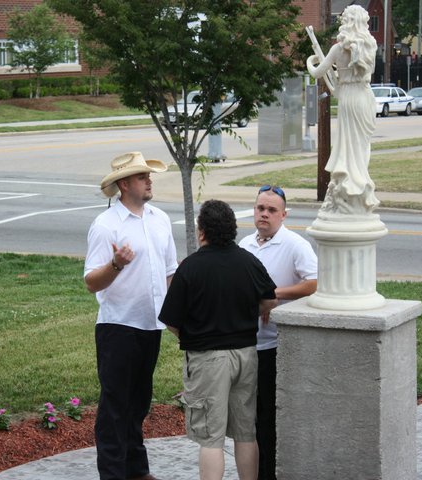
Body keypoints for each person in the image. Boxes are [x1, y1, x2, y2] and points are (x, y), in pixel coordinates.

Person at [159, 199, 278, 480]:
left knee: (211, 438)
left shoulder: (190, 268)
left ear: (203, 231)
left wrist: (191, 335)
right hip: (247, 355)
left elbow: (171, 321)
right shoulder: (249, 261)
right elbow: (270, 299)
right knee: (246, 432)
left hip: (207, 359)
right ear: (232, 229)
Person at [84, 151, 178, 480]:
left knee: (139, 403)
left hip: (150, 325)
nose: (149, 180)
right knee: (114, 406)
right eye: (142, 177)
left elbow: (169, 275)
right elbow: (90, 282)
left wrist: (175, 320)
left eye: (148, 176)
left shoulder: (160, 219)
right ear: (124, 185)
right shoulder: (106, 225)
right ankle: (112, 474)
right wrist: (115, 265)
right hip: (118, 326)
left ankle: (137, 470)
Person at [238, 185, 318, 480]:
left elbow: (314, 282)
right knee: (247, 418)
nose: (264, 214)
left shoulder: (295, 245)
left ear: (283, 215)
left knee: (268, 418)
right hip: (245, 344)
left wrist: (273, 294)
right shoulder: (245, 245)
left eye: (272, 210)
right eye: (260, 208)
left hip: (275, 345)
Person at [306, 4, 379, 215]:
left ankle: (350, 185)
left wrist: (312, 61)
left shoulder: (338, 49)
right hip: (365, 96)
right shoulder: (370, 45)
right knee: (362, 145)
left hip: (348, 97)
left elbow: (318, 73)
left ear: (347, 22)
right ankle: (360, 184)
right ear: (362, 23)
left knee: (348, 145)